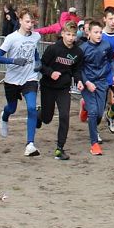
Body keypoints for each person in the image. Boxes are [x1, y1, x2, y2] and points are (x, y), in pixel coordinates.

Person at [0, 7, 43, 156]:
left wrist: (38, 61)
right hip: (12, 79)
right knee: (12, 108)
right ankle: (4, 116)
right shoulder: (11, 38)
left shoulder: (36, 36)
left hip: (30, 78)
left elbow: (34, 51)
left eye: (32, 22)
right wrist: (13, 60)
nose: (30, 25)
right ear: (20, 20)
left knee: (32, 108)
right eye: (27, 21)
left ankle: (30, 144)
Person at [39, 21, 85, 160]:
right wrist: (51, 73)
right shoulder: (53, 49)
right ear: (63, 34)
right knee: (47, 118)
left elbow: (76, 70)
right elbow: (41, 65)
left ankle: (60, 148)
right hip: (48, 87)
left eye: (73, 35)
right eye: (68, 34)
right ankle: (39, 115)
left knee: (64, 116)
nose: (71, 38)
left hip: (64, 89)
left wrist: (79, 81)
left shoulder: (78, 52)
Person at [79, 19, 114, 156]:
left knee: (99, 113)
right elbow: (78, 68)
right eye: (96, 32)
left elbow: (112, 60)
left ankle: (85, 107)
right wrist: (86, 82)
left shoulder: (106, 45)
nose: (99, 35)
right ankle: (94, 144)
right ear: (88, 33)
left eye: (100, 32)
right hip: (88, 83)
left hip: (102, 82)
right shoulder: (82, 48)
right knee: (94, 112)